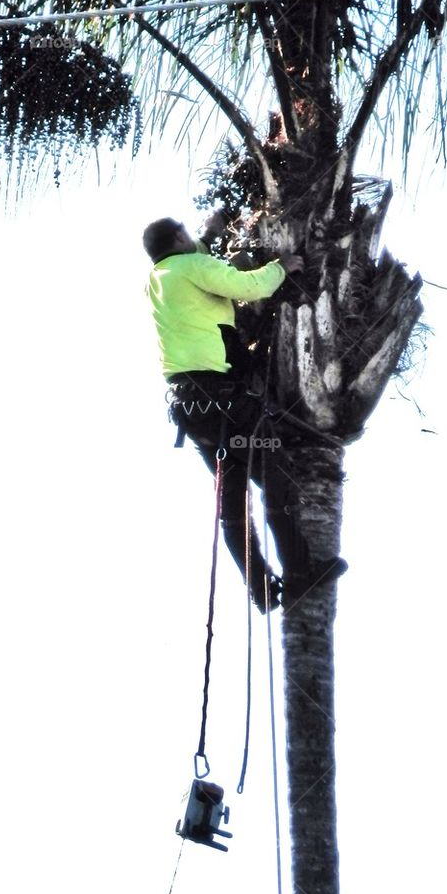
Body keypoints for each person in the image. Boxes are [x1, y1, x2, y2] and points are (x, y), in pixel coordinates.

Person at [143, 214, 346, 610]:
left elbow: (194, 253)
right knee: (278, 478)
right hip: (228, 406)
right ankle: (301, 572)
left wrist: (208, 235)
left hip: (194, 415)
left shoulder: (158, 279)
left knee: (233, 504)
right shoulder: (195, 266)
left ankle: (262, 590)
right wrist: (281, 267)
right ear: (179, 238)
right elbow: (248, 287)